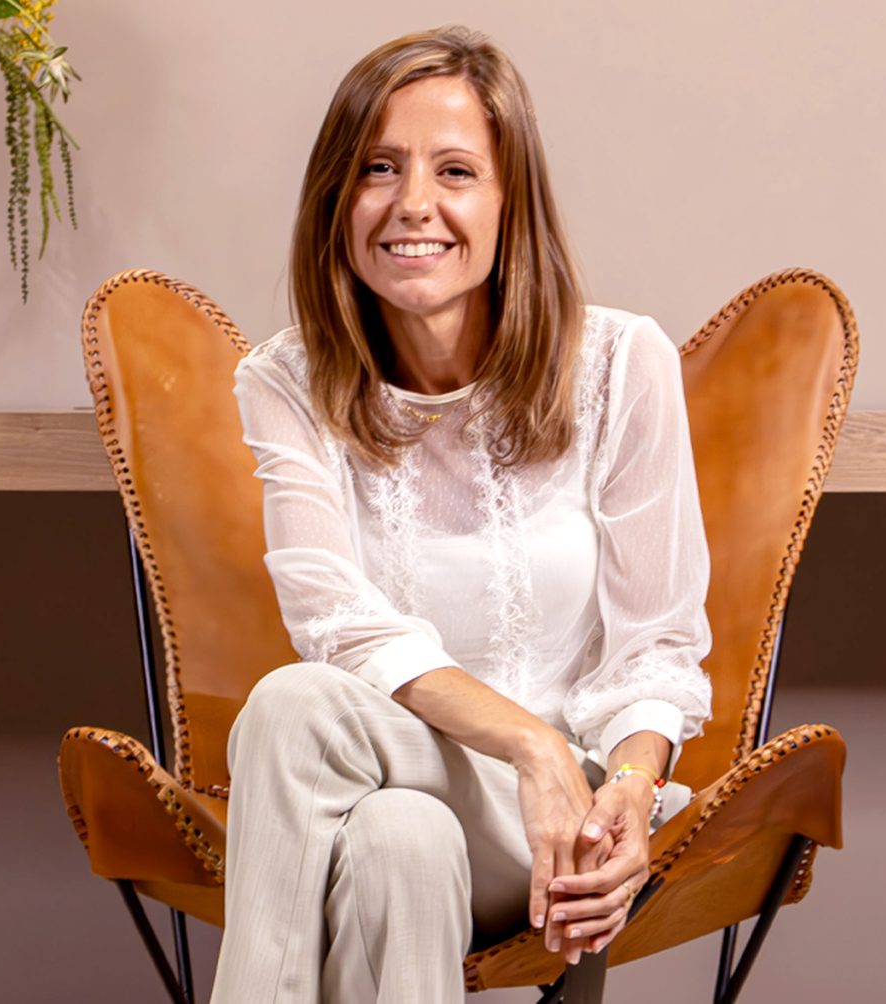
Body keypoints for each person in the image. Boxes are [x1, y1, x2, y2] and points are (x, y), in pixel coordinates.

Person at [211, 26, 714, 1002]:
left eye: (454, 171)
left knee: (292, 706)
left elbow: (656, 647)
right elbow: (336, 622)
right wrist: (528, 744)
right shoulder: (285, 380)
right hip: (409, 789)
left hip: (564, 818)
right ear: (336, 199)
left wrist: (624, 785)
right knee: (398, 839)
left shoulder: (622, 363)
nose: (412, 204)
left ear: (508, 201)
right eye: (378, 168)